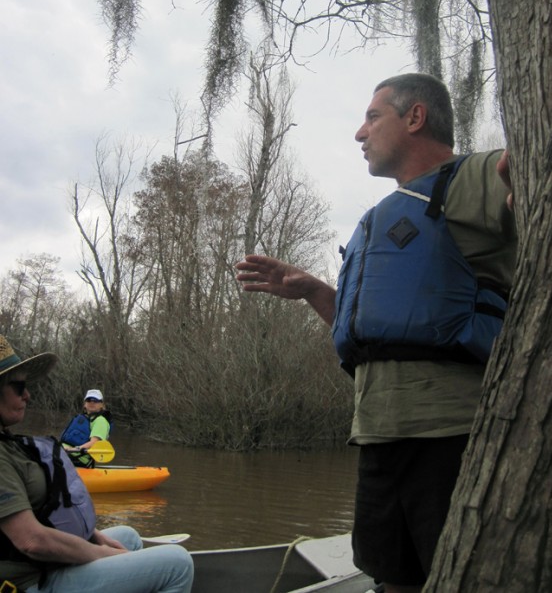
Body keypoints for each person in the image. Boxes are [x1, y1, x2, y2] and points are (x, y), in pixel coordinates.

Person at [236, 73, 517, 593]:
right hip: (377, 436)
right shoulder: (378, 218)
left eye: (372, 117)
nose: (359, 134)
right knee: (390, 576)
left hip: (449, 435)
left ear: (415, 118)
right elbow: (383, 336)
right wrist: (317, 293)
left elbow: (525, 174)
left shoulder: (470, 179)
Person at [0, 335, 194, 593]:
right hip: (26, 582)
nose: (27, 394)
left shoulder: (9, 442)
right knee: (178, 562)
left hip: (39, 566)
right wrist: (100, 554)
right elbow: (31, 540)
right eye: (18, 386)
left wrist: (95, 537)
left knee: (129, 536)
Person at [61, 389, 112, 468]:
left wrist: (74, 449)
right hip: (65, 453)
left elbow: (94, 443)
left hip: (79, 458)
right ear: (85, 404)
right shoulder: (83, 418)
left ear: (101, 404)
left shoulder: (100, 421)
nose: (92, 402)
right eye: (89, 400)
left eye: (95, 400)